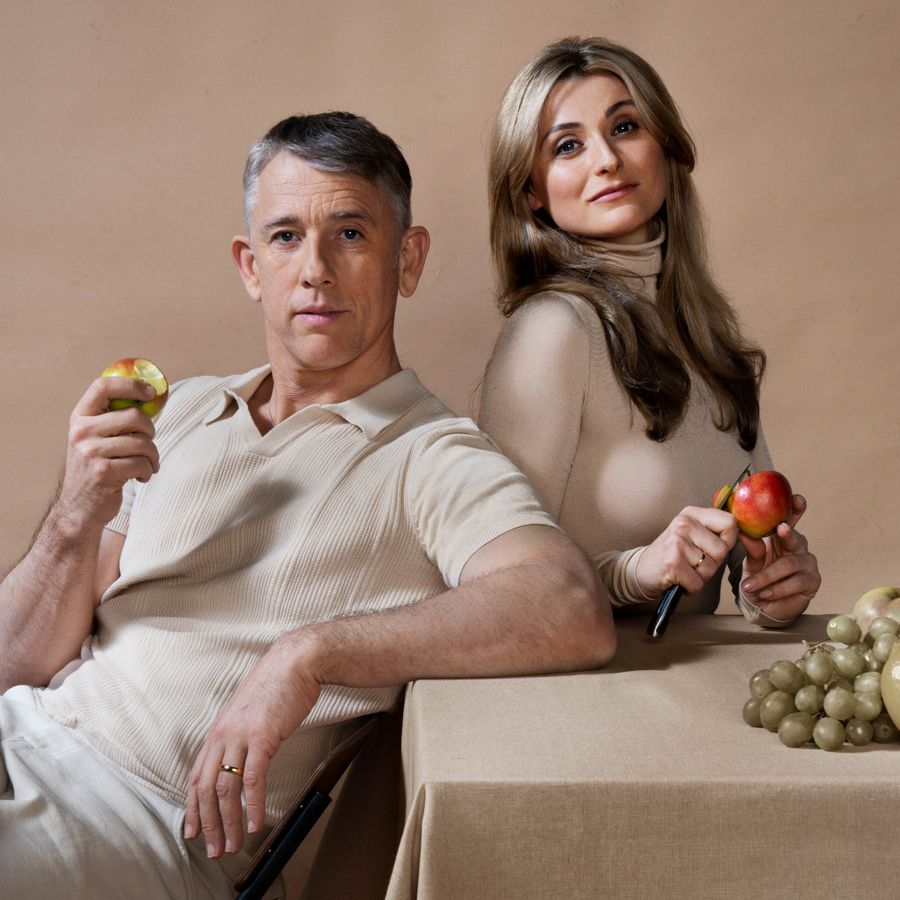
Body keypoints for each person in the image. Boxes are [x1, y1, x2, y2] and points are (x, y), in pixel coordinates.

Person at [0, 112, 616, 899]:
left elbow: (568, 605)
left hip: (133, 824)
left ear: (409, 258)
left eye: (351, 233)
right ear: (250, 265)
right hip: (24, 734)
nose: (315, 269)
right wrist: (73, 518)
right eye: (286, 236)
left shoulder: (431, 454)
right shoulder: (181, 410)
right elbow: (14, 664)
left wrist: (306, 655)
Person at [479, 37, 821, 626]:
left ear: (663, 143)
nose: (606, 160)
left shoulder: (709, 338)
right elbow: (493, 576)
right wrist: (637, 571)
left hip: (702, 693)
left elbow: (738, 578)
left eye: (626, 126)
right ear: (532, 191)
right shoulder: (553, 330)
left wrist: (771, 593)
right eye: (567, 146)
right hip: (581, 696)